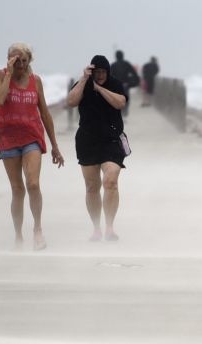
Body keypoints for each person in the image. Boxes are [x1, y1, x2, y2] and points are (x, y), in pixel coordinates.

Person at [0, 42, 64, 251]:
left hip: (32, 137)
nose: (20, 65)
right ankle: (18, 236)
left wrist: (55, 146)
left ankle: (38, 230)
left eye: (24, 60)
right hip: (7, 138)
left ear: (29, 60)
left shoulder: (36, 81)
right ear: (9, 60)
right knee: (17, 190)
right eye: (16, 61)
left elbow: (45, 113)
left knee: (33, 184)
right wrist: (9, 73)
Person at [67, 55, 127, 241]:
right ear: (91, 72)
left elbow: (120, 103)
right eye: (97, 72)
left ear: (108, 72)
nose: (100, 75)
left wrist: (99, 88)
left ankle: (109, 227)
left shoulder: (115, 84)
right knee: (92, 186)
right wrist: (85, 79)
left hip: (111, 141)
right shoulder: (82, 83)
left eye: (103, 72)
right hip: (88, 141)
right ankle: (96, 228)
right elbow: (71, 101)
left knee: (111, 181)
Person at [110, 50, 139, 118]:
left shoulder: (113, 65)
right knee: (126, 98)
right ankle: (125, 112)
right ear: (123, 56)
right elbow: (134, 73)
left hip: (116, 85)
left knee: (117, 99)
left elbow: (110, 76)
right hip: (125, 85)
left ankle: (119, 113)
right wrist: (131, 83)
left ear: (116, 56)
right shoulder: (127, 64)